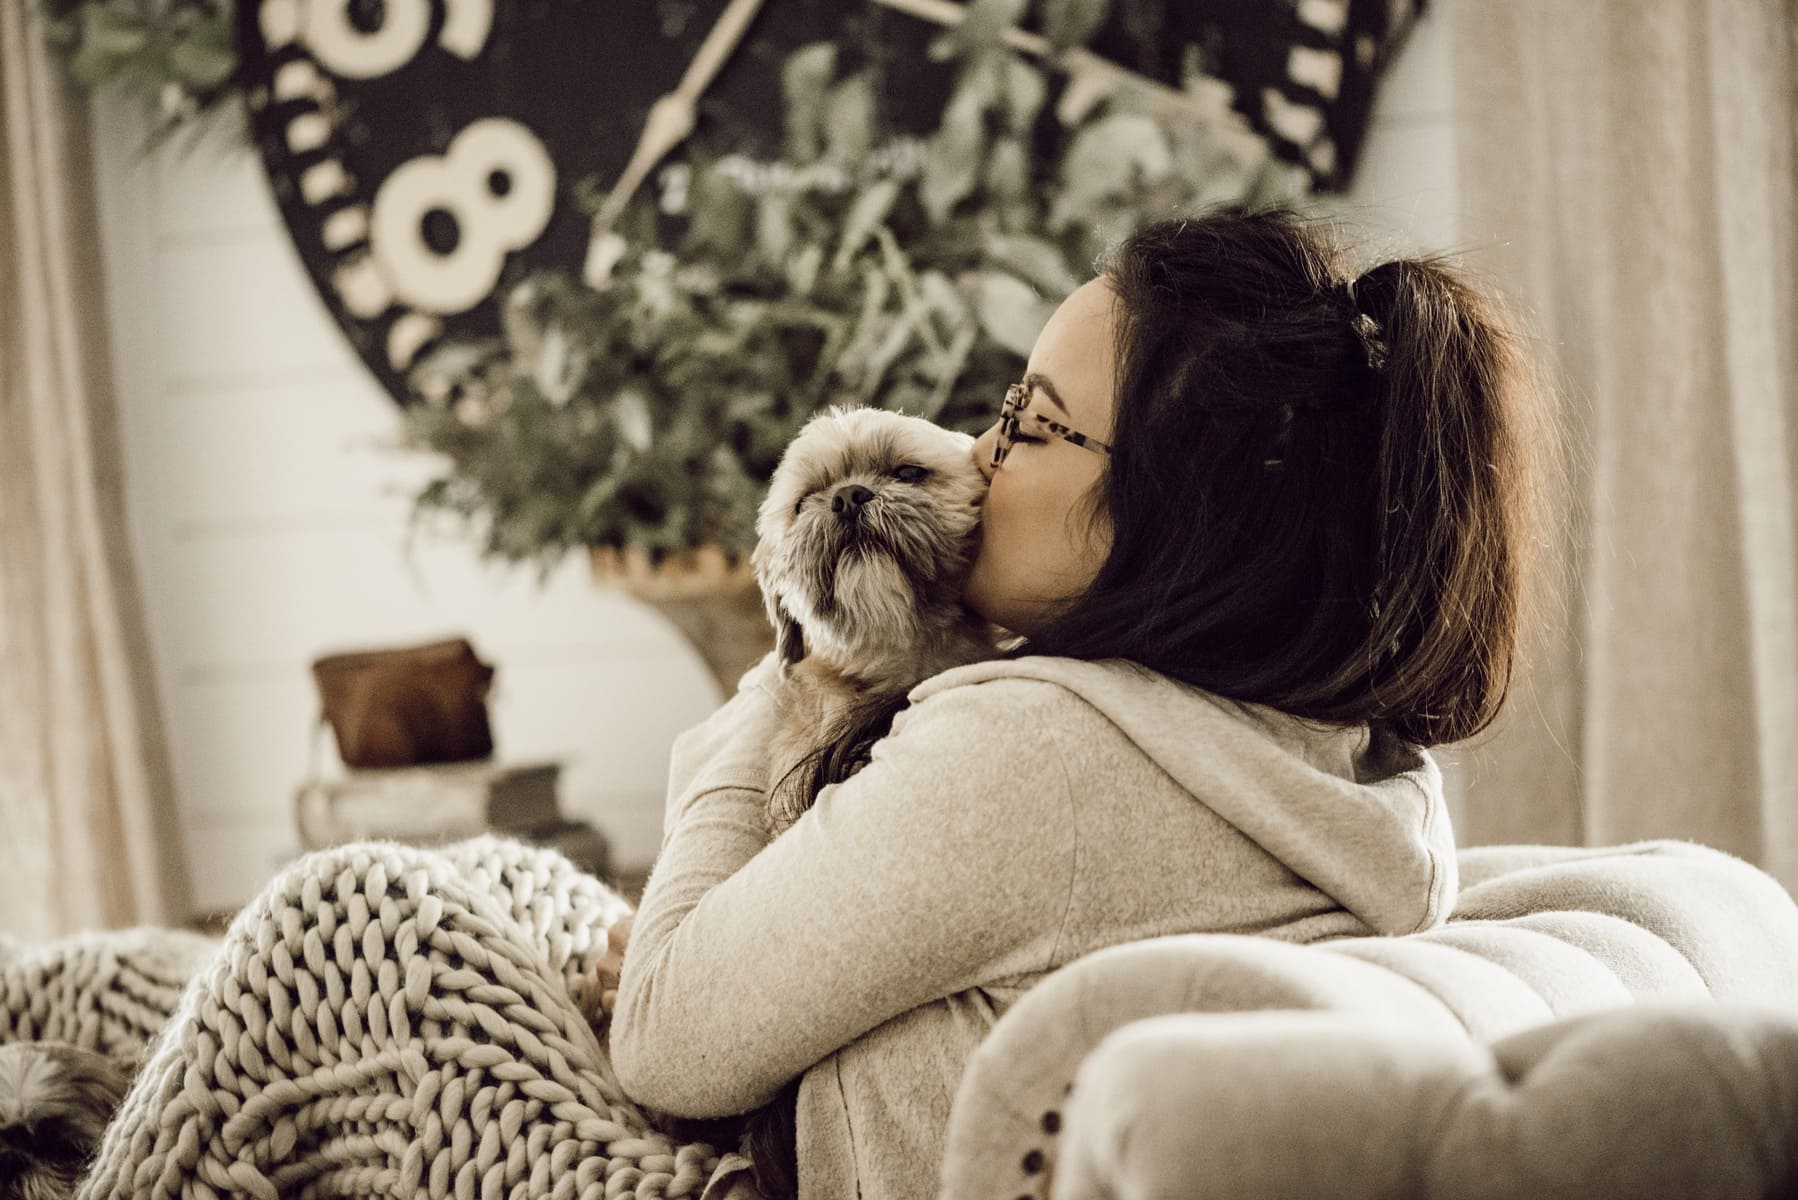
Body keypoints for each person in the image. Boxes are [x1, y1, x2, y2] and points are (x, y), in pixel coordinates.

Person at [599, 206, 1557, 1200]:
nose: (978, 454)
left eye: (1027, 421)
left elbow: (664, 1036)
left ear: (1177, 513)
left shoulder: (1031, 754)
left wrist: (779, 679)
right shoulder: (1357, 766)